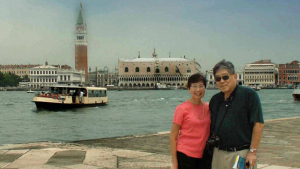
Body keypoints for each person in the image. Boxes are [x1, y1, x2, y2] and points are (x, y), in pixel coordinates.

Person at [209, 60, 264, 169]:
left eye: (225, 77)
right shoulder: (215, 100)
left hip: (241, 154)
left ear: (234, 76)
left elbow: (258, 124)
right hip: (218, 154)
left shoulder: (249, 95)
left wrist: (252, 152)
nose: (222, 81)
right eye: (218, 79)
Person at [170, 73, 211, 169]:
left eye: (201, 86)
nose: (198, 90)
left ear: (205, 88)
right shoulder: (181, 109)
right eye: (194, 86)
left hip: (204, 156)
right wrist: (175, 163)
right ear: (189, 89)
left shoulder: (208, 107)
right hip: (185, 155)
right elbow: (173, 137)